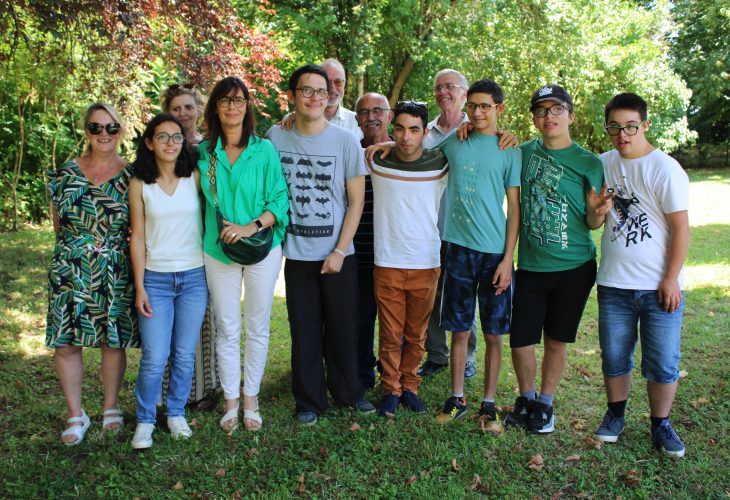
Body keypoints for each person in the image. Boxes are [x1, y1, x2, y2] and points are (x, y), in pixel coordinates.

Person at [267, 64, 374, 426]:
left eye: (321, 92)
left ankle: (349, 393)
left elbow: (356, 200)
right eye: (306, 90)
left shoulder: (345, 141)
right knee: (305, 330)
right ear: (293, 95)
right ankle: (309, 402)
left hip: (339, 254)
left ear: (330, 98)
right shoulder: (274, 137)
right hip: (296, 255)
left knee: (345, 327)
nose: (314, 97)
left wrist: (340, 251)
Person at [504, 84, 612, 434]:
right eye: (541, 111)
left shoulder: (588, 162)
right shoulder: (521, 154)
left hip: (575, 267)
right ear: (534, 119)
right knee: (520, 339)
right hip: (532, 267)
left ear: (570, 115)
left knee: (555, 339)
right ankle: (527, 398)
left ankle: (545, 405)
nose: (548, 116)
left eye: (556, 109)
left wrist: (597, 213)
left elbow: (593, 221)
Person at [593, 93, 689, 457]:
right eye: (614, 128)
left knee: (663, 360)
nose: (623, 135)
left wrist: (670, 279)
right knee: (614, 355)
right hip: (614, 284)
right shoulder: (602, 164)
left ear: (645, 125)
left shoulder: (664, 168)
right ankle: (615, 416)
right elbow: (592, 221)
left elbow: (681, 229)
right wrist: (596, 211)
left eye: (631, 126)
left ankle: (660, 424)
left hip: (657, 286)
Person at [199, 76, 290, 432]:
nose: (232, 107)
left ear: (247, 106)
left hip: (262, 247)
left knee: (257, 324)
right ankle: (230, 401)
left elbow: (279, 200)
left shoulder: (263, 149)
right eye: (224, 100)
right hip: (217, 249)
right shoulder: (203, 153)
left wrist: (251, 227)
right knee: (227, 325)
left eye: (238, 100)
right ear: (215, 108)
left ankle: (250, 397)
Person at [46, 103, 138, 445]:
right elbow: (59, 226)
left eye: (111, 128)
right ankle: (75, 413)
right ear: (86, 131)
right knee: (67, 341)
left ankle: (111, 406)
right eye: (96, 128)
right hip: (70, 268)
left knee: (111, 341)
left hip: (113, 268)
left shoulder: (134, 175)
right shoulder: (64, 174)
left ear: (121, 131)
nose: (104, 135)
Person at [433, 80, 521, 425]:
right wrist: (382, 144)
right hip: (457, 249)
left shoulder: (510, 149)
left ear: (499, 108)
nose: (478, 112)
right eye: (473, 106)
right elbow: (415, 152)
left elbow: (514, 209)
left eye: (486, 106)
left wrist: (507, 260)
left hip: (494, 254)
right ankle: (457, 398)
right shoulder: (456, 140)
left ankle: (488, 401)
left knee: (494, 333)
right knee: (459, 329)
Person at [129, 114, 208, 449]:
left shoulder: (195, 175)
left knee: (184, 353)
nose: (171, 143)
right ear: (149, 143)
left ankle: (175, 412)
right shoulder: (139, 183)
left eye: (176, 137)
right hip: (156, 280)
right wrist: (140, 287)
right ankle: (145, 419)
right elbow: (137, 237)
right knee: (155, 356)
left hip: (193, 277)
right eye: (163, 137)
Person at [369, 100, 448, 417]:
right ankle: (390, 388)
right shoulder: (376, 160)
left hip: (426, 262)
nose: (405, 137)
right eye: (399, 129)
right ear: (392, 127)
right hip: (387, 260)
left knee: (416, 335)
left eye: (414, 129)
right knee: (390, 334)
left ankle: (410, 386)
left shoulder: (441, 163)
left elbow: (468, 139)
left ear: (425, 131)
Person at [160, 83, 219, 406]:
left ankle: (204, 389)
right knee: (171, 325)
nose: (182, 114)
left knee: (203, 320)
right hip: (170, 244)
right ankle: (171, 390)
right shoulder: (161, 149)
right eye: (175, 108)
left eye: (188, 107)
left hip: (205, 241)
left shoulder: (210, 148)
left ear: (199, 109)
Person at [419, 69, 479, 379]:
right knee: (431, 294)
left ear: (465, 94)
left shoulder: (478, 129)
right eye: (438, 86)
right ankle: (437, 354)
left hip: (465, 230)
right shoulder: (425, 132)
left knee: (462, 294)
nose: (443, 91)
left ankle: (467, 355)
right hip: (428, 227)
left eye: (450, 86)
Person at [353, 92, 394, 389]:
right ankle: (363, 372)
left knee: (395, 323)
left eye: (378, 110)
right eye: (364, 112)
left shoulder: (405, 150)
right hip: (361, 250)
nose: (371, 116)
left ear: (389, 115)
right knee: (362, 318)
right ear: (356, 119)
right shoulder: (350, 151)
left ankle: (396, 375)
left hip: (395, 252)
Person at [277, 59, 363, 139]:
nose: (332, 88)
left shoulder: (356, 122)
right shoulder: (291, 121)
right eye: (327, 82)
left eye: (338, 82)